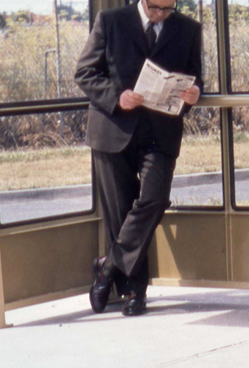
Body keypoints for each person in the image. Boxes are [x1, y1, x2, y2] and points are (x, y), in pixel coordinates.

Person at [74, 0, 203, 316]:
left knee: (155, 200)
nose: (162, 15)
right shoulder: (110, 21)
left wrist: (195, 93)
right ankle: (134, 293)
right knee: (120, 214)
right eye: (157, 8)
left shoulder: (188, 29)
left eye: (168, 9)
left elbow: (195, 78)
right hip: (113, 129)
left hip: (160, 133)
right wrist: (117, 97)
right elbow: (85, 72)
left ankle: (107, 267)